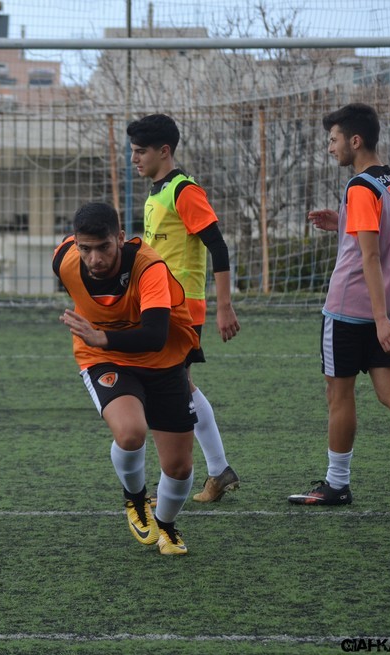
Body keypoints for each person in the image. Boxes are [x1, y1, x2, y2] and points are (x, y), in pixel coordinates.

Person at [287, 103, 390, 511]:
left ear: (355, 140)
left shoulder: (359, 186)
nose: (330, 147)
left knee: (338, 393)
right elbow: (380, 235)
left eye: (334, 140)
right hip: (386, 307)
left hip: (351, 308)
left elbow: (371, 256)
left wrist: (379, 319)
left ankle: (337, 484)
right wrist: (342, 221)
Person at [54, 202, 199, 555]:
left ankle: (166, 525)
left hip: (162, 360)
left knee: (179, 467)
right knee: (131, 432)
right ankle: (135, 498)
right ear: (75, 243)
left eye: (103, 247)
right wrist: (98, 341)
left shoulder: (149, 268)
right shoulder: (63, 260)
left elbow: (155, 335)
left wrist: (102, 335)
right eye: (85, 248)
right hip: (104, 359)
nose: (94, 258)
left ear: (120, 238)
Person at [126, 114, 242, 504]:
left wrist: (224, 306)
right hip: (160, 304)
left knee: (169, 389)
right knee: (181, 386)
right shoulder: (157, 192)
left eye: (140, 152)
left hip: (180, 308)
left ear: (164, 151)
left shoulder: (183, 191)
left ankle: (186, 476)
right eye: (132, 151)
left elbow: (218, 246)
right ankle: (218, 471)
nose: (134, 159)